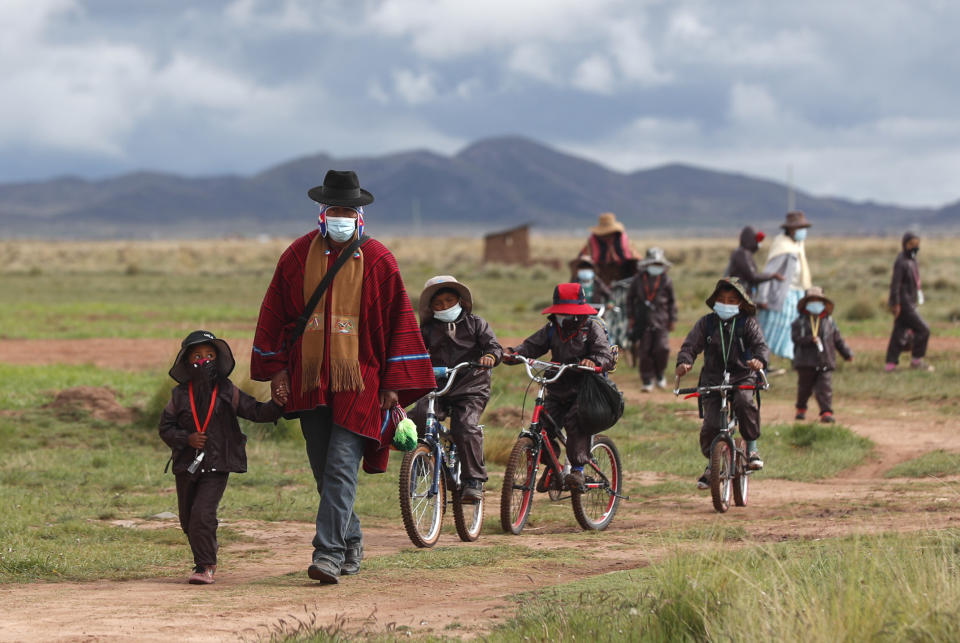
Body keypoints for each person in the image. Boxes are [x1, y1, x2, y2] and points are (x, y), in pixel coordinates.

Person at [251, 170, 435, 584]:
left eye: (347, 211)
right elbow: (274, 316)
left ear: (359, 214)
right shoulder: (296, 257)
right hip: (309, 380)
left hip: (362, 383)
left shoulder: (380, 260)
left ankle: (328, 555)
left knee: (339, 468)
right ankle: (351, 540)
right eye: (334, 210)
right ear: (321, 212)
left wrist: (394, 384)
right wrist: (277, 371)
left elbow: (400, 324)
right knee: (322, 468)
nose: (340, 217)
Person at [159, 330, 286, 585]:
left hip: (218, 463)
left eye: (210, 355)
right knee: (187, 519)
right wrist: (187, 439)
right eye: (197, 355)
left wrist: (277, 404)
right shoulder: (178, 395)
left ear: (218, 360)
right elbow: (165, 428)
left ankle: (205, 566)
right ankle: (204, 555)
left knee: (202, 514)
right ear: (186, 361)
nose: (204, 360)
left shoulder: (227, 390)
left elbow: (256, 411)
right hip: (187, 465)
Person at [504, 283, 616, 489]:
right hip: (556, 386)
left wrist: (593, 361)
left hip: (584, 389)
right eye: (561, 312)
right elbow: (531, 346)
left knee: (575, 423)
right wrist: (514, 353)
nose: (564, 316)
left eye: (569, 312)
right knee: (542, 429)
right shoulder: (551, 328)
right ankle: (554, 467)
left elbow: (604, 354)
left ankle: (577, 471)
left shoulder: (592, 328)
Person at [407, 276, 502, 502]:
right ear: (431, 308)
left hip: (471, 386)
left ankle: (473, 480)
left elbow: (494, 347)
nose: (445, 306)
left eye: (449, 300)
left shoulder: (476, 324)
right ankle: (422, 461)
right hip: (439, 386)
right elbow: (414, 351)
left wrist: (490, 356)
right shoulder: (428, 329)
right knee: (418, 415)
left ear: (460, 300)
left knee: (466, 427)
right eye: (438, 304)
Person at [675, 278, 769, 489]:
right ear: (715, 301)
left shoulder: (748, 324)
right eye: (722, 299)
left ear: (741, 304)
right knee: (711, 424)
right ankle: (712, 466)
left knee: (745, 403)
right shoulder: (706, 323)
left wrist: (759, 360)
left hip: (742, 376)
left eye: (732, 300)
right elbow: (690, 346)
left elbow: (761, 347)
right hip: (713, 378)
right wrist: (684, 362)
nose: (726, 304)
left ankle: (752, 449)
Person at [755, 211, 814, 360]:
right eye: (799, 228)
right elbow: (769, 273)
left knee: (792, 333)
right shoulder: (783, 248)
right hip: (781, 299)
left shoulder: (798, 246)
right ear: (791, 229)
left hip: (796, 296)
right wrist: (762, 298)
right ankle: (761, 368)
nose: (803, 232)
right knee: (769, 334)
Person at [791, 287, 854, 423]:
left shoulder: (829, 322)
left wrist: (847, 353)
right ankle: (801, 409)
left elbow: (838, 340)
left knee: (825, 387)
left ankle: (826, 412)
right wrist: (809, 339)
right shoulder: (799, 322)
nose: (815, 304)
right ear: (806, 304)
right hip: (805, 362)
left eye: (818, 301)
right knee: (804, 388)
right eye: (812, 301)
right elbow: (795, 338)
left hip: (825, 361)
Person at [626, 247, 677, 392]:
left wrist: (672, 319)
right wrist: (631, 316)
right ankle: (647, 380)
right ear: (647, 264)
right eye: (653, 264)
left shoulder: (666, 280)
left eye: (659, 264)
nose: (656, 267)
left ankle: (660, 374)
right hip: (642, 320)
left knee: (662, 349)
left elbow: (672, 301)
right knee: (645, 351)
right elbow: (630, 298)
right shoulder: (638, 279)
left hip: (661, 319)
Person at [885, 232, 934, 372]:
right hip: (904, 304)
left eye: (916, 244)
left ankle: (890, 365)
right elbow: (895, 284)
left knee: (898, 333)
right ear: (904, 244)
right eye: (911, 244)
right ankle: (916, 361)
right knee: (924, 329)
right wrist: (895, 303)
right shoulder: (901, 261)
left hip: (910, 302)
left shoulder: (912, 260)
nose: (914, 247)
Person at [725, 226, 784, 301]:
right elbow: (753, 276)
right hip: (739, 295)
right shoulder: (742, 253)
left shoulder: (743, 253)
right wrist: (772, 275)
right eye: (757, 240)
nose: (758, 244)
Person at [578, 212, 638, 285]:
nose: (607, 236)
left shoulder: (623, 241)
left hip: (623, 278)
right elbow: (581, 262)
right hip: (598, 281)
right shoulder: (592, 244)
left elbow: (636, 260)